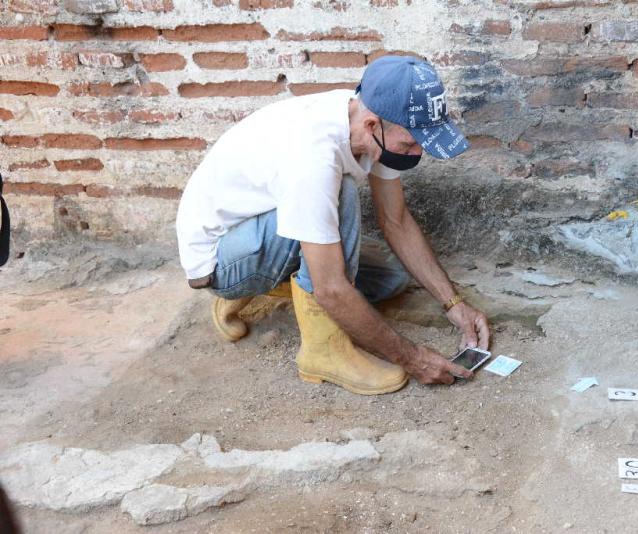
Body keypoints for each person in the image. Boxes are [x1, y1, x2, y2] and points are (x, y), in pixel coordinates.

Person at [176, 55, 490, 395]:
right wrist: (413, 359)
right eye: (410, 143)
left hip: (261, 223)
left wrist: (453, 304)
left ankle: (278, 289)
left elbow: (395, 220)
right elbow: (330, 288)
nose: (416, 154)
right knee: (341, 201)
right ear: (373, 126)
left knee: (390, 279)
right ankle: (322, 350)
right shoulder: (314, 158)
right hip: (223, 260)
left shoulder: (369, 118)